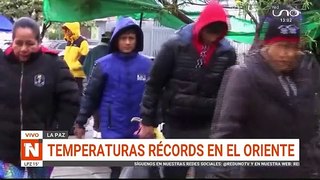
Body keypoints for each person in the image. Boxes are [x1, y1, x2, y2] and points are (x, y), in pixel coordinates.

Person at [211, 4, 320, 178]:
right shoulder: (244, 75)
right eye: (282, 46)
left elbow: (314, 128)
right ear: (267, 44)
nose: (288, 54)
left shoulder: (306, 73)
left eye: (293, 47)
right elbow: (225, 135)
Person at [138, 1, 237, 178]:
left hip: (208, 125)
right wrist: (147, 121)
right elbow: (154, 84)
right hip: (176, 124)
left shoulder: (227, 53)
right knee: (173, 173)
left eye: (217, 33)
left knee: (208, 174)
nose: (212, 38)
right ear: (202, 27)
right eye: (209, 32)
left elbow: (229, 92)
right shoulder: (174, 46)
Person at [0, 17, 80, 179]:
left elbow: (71, 101)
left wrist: (56, 132)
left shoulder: (54, 65)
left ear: (39, 42)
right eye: (18, 43)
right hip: (6, 145)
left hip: (41, 144)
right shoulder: (2, 64)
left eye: (30, 43)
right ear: (12, 41)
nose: (23, 48)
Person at [73, 17, 152, 179]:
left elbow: (154, 96)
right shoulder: (103, 64)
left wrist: (153, 121)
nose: (128, 42)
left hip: (139, 128)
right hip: (112, 127)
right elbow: (91, 96)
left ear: (137, 40)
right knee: (116, 169)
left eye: (131, 38)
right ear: (116, 40)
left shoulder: (148, 65)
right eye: (124, 38)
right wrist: (81, 121)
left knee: (137, 170)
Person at [82, 30, 113, 137]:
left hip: (93, 83)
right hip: (108, 85)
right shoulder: (112, 52)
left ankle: (96, 128)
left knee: (95, 105)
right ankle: (102, 128)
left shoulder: (92, 51)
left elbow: (85, 67)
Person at [62, 22, 89, 93]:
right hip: (67, 73)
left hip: (77, 75)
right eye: (65, 30)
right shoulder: (69, 41)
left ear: (73, 30)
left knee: (77, 94)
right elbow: (67, 57)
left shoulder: (82, 42)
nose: (66, 32)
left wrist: (72, 67)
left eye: (68, 30)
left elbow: (84, 58)